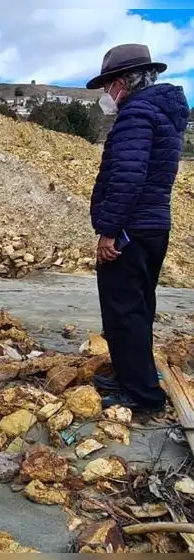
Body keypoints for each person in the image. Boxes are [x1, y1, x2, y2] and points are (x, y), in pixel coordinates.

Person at [85, 43, 189, 413]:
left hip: (130, 229)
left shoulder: (137, 115)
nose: (105, 95)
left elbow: (128, 178)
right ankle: (132, 375)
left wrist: (109, 230)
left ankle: (142, 395)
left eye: (107, 86)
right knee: (138, 307)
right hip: (152, 226)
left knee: (123, 310)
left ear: (122, 83)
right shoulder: (162, 114)